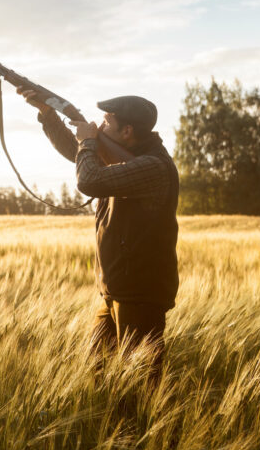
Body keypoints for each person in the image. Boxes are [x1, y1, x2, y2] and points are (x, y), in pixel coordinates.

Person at [18, 89, 179, 387]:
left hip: (139, 294)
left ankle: (154, 434)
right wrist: (48, 113)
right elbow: (79, 155)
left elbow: (88, 178)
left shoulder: (153, 167)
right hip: (116, 290)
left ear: (127, 131)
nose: (99, 127)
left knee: (140, 387)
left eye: (106, 123)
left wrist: (89, 140)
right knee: (100, 375)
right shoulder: (131, 160)